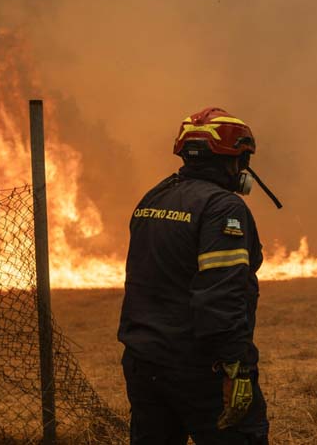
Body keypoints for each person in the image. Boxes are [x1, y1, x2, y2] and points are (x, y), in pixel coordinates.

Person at [118, 107, 280, 444]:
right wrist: (236, 368)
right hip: (199, 368)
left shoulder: (154, 197)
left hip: (143, 362)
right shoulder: (223, 207)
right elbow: (220, 296)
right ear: (234, 159)